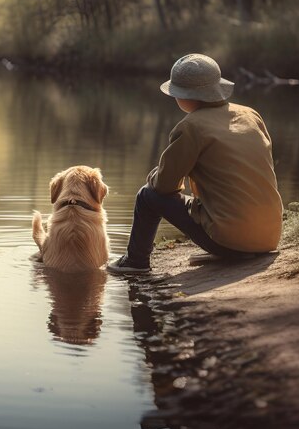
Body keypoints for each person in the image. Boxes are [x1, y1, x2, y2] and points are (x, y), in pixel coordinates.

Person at [107, 53, 283, 275]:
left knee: (147, 196)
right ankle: (238, 247)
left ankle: (135, 262)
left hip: (230, 239)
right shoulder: (250, 115)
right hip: (270, 236)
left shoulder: (191, 126)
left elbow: (164, 187)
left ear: (186, 97)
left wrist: (156, 174)